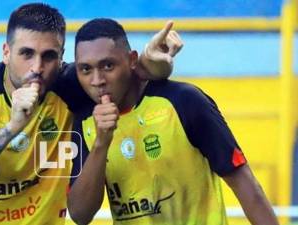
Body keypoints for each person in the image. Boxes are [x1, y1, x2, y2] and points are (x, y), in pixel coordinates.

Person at [0, 3, 182, 225]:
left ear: (61, 59)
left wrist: (151, 62)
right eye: (26, 53)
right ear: (6, 52)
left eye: (49, 56)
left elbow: (127, 77)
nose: (37, 67)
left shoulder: (70, 86)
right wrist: (11, 128)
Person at [67, 18, 279, 225]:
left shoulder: (184, 101)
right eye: (86, 69)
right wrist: (101, 143)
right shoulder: (85, 122)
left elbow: (246, 186)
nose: (97, 81)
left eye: (108, 66)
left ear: (132, 60)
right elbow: (80, 214)